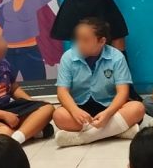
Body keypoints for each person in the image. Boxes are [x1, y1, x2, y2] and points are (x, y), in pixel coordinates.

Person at [53, 18, 145, 147]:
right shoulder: (68, 57)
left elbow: (123, 93)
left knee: (138, 108)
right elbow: (62, 92)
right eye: (77, 39)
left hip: (110, 108)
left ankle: (84, 137)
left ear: (102, 41)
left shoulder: (116, 57)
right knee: (59, 115)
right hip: (81, 110)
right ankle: (116, 131)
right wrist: (75, 111)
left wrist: (108, 114)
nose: (79, 44)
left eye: (85, 40)